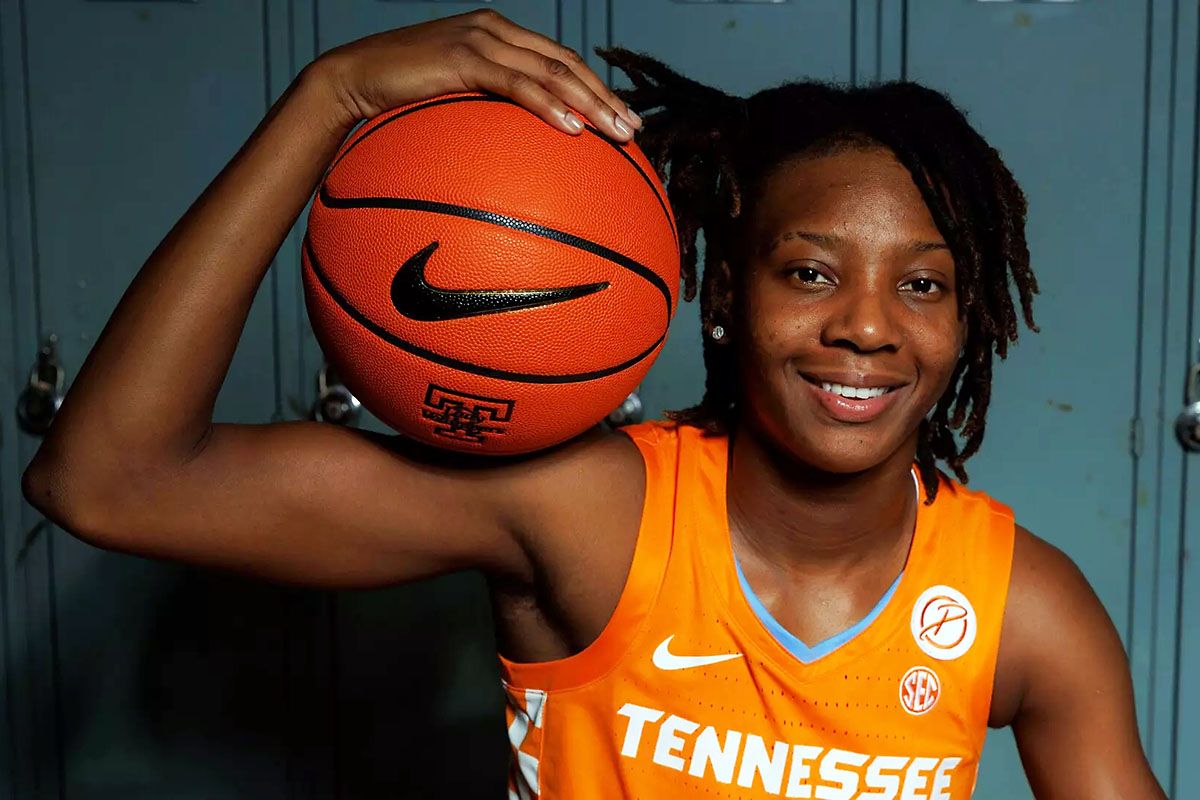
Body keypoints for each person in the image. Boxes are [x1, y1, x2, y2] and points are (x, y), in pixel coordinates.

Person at [21, 10, 1166, 799]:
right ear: (725, 297)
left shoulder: (1021, 609)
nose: (866, 326)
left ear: (968, 321)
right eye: (810, 271)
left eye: (922, 284)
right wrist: (331, 97)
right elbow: (110, 480)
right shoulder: (593, 513)